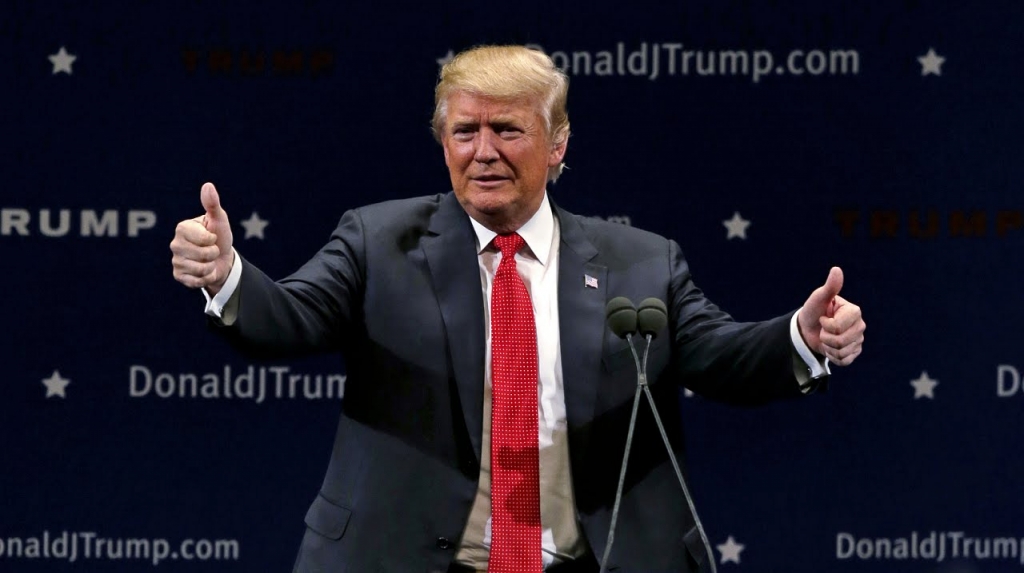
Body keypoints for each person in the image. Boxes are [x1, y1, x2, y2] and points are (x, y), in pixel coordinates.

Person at [170, 45, 865, 573]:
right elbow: (288, 315)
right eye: (465, 131)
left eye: (507, 129)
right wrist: (228, 273)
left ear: (557, 144)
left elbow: (723, 357)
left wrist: (802, 336)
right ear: (443, 141)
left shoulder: (641, 262)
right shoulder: (378, 242)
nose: (483, 152)